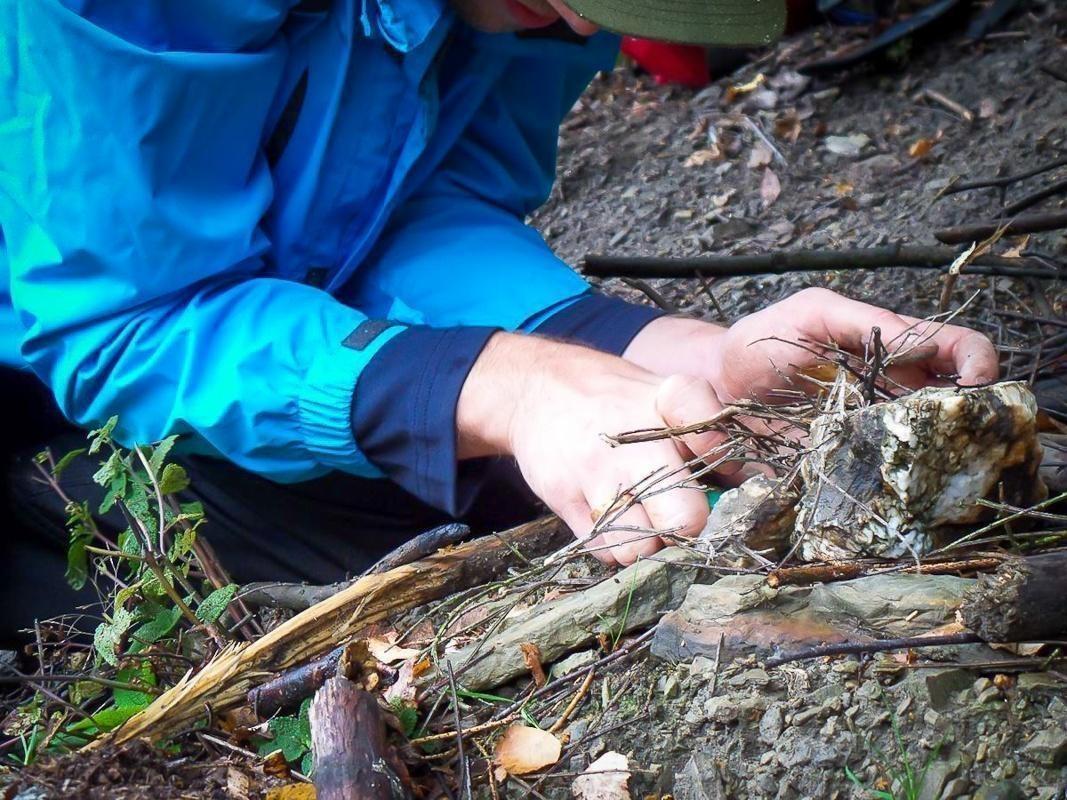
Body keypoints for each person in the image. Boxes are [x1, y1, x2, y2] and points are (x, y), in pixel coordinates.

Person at [0, 0, 997, 638]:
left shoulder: (539, 7)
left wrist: (679, 360)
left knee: (564, 482)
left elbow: (407, 209)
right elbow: (119, 322)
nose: (581, 24)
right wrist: (505, 388)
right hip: (42, 392)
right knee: (409, 570)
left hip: (214, 326)